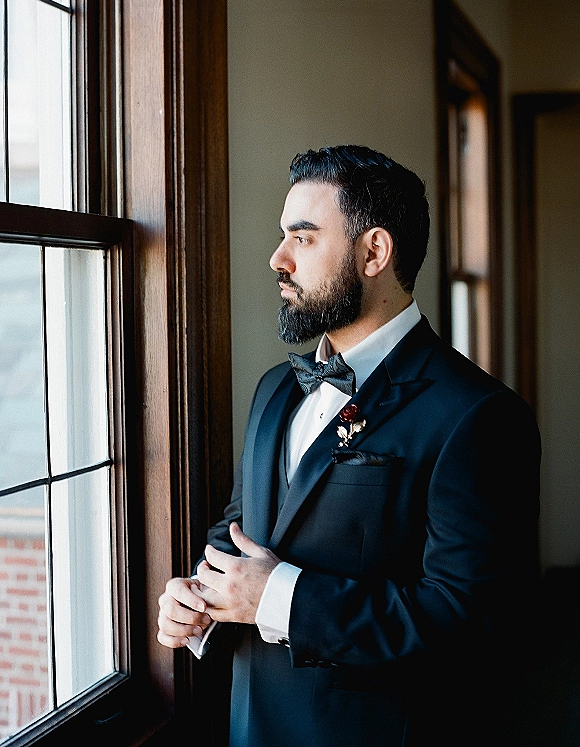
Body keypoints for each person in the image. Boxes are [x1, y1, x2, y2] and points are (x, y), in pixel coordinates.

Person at [157, 145, 541, 747]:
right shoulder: (274, 389)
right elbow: (241, 531)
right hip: (249, 725)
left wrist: (279, 596)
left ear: (374, 252)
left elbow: (470, 625)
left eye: (303, 239)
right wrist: (201, 598)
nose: (277, 259)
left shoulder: (480, 417)